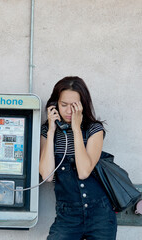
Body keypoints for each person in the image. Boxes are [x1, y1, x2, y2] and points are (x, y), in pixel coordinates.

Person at [39, 76, 117, 240]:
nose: (68, 111)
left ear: (83, 105)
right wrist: (52, 131)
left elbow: (83, 171)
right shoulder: (47, 132)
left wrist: (75, 128)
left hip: (100, 216)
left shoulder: (94, 130)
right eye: (63, 105)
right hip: (67, 216)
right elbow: (47, 175)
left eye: (73, 106)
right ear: (54, 105)